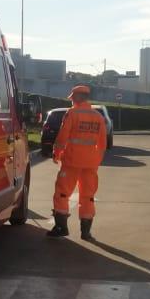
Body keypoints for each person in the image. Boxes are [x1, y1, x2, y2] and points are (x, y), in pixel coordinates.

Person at [48, 84, 107, 241]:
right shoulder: (98, 117)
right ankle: (86, 232)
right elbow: (102, 143)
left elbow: (62, 136)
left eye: (72, 97)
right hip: (90, 164)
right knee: (88, 197)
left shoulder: (72, 113)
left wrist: (57, 153)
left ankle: (61, 227)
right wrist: (96, 160)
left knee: (62, 193)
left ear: (78, 97)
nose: (71, 100)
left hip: (72, 162)